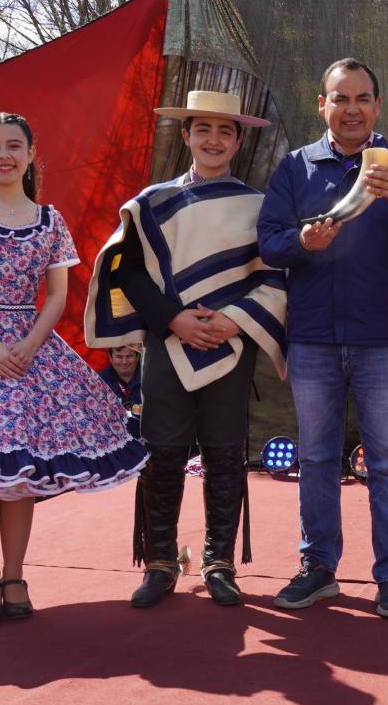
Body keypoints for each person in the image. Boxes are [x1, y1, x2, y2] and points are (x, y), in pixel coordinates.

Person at [0, 108, 147, 624]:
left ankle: (15, 576)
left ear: (32, 154)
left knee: (20, 474)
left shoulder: (49, 219)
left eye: (14, 146)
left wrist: (30, 344)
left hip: (31, 350)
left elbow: (57, 294)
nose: (4, 155)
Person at [85, 90, 287, 608]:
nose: (214, 140)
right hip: (166, 343)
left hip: (229, 343)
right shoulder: (151, 204)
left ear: (239, 140)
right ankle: (159, 561)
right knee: (162, 451)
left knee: (224, 453)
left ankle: (220, 562)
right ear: (187, 135)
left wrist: (231, 321)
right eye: (204, 130)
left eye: (225, 131)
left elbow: (272, 277)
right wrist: (172, 317)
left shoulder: (259, 207)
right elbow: (125, 271)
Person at [258, 58, 388, 620]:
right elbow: (268, 242)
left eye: (362, 98)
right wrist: (302, 244)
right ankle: (318, 569)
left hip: (384, 338)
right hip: (311, 337)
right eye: (341, 98)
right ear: (323, 105)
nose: (352, 109)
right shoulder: (294, 167)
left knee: (386, 461)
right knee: (314, 458)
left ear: (378, 106)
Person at [98, 345, 143, 438]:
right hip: (116, 439)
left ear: (138, 357)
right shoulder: (100, 380)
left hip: (149, 438)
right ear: (110, 358)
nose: (124, 361)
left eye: (129, 356)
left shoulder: (149, 376)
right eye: (119, 357)